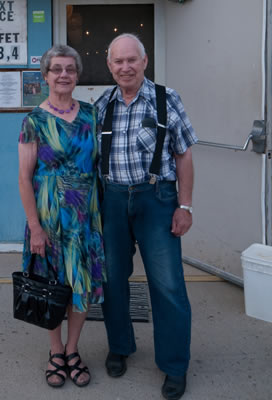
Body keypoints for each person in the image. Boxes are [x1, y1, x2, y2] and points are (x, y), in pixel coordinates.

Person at [95, 33, 197, 400]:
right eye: (117, 61)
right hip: (113, 199)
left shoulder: (167, 100)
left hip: (157, 198)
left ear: (144, 61)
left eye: (131, 60)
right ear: (109, 66)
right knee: (111, 279)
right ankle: (119, 346)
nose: (125, 67)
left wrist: (184, 206)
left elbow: (184, 155)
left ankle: (174, 365)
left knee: (167, 284)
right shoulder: (102, 103)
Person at [18, 44, 106, 388]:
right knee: (50, 287)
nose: (64, 75)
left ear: (78, 75)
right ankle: (55, 351)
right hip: (49, 219)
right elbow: (24, 178)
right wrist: (34, 227)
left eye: (70, 69)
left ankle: (73, 350)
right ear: (46, 75)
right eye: (57, 69)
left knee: (80, 284)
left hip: (85, 218)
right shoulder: (34, 121)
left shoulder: (91, 115)